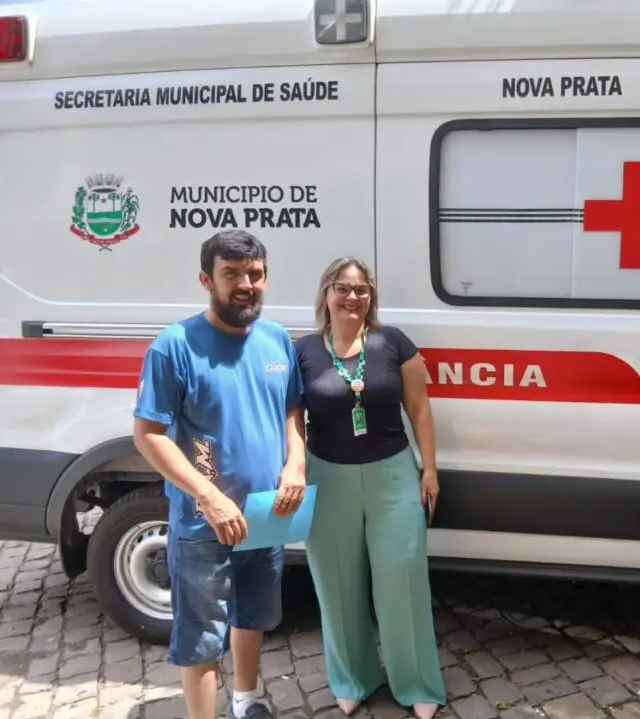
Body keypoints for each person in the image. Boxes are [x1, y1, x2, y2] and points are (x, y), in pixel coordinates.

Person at [132, 230, 307, 719]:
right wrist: (208, 496)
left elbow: (292, 410)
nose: (245, 284)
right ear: (206, 279)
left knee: (252, 615)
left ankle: (246, 701)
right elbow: (148, 434)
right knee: (202, 637)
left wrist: (296, 462)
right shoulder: (175, 346)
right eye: (231, 274)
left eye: (255, 274)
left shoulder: (276, 340)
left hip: (265, 513)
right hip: (203, 522)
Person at [292, 256, 446, 719]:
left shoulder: (393, 343)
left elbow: (420, 410)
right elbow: (293, 419)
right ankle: (353, 678)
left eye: (361, 289)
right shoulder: (303, 351)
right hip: (327, 477)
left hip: (392, 474)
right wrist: (294, 469)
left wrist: (430, 470)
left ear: (371, 297)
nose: (352, 297)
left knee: (403, 578)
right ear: (326, 293)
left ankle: (417, 682)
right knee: (336, 584)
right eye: (342, 288)